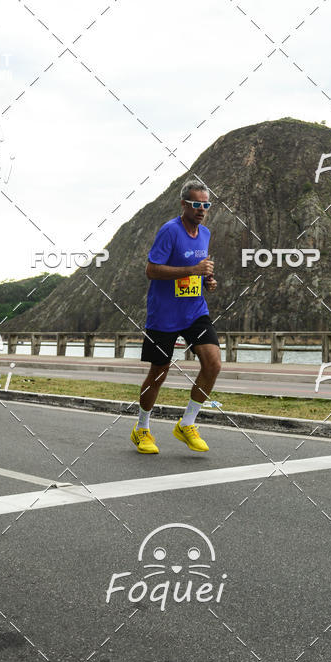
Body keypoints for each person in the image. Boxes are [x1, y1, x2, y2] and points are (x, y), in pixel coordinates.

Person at [131, 178, 220, 455]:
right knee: (158, 373)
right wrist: (193, 270)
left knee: (213, 363)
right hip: (164, 314)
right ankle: (142, 428)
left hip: (195, 311)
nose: (202, 209)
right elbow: (152, 270)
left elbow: (198, 269)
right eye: (196, 204)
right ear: (184, 204)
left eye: (206, 205)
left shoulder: (204, 233)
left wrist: (207, 280)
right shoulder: (169, 231)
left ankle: (187, 424)